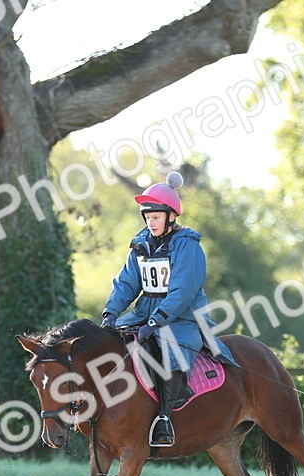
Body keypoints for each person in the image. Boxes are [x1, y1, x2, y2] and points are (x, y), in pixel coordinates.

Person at [101, 171, 235, 447]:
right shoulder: (140, 245)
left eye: (156, 217)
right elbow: (126, 283)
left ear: (171, 216)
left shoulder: (188, 246)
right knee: (109, 341)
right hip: (143, 313)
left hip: (182, 317)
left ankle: (164, 418)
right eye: (147, 218)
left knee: (172, 351)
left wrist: (156, 321)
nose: (151, 223)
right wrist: (111, 313)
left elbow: (182, 291)